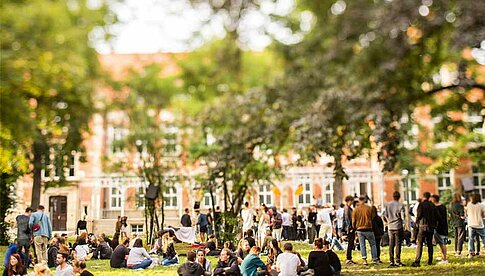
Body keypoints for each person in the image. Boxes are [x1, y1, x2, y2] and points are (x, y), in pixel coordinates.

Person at [411, 192, 438, 267]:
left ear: (423, 196)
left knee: (420, 244)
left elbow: (419, 215)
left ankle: (417, 261)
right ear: (429, 197)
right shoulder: (432, 205)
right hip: (431, 227)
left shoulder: (421, 204)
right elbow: (436, 216)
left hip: (422, 226)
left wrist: (416, 220)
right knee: (430, 244)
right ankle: (430, 261)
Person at [352, 196, 379, 265]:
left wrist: (354, 227)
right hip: (368, 228)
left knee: (362, 245)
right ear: (365, 200)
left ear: (359, 200)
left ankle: (364, 260)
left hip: (360, 229)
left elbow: (353, 221)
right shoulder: (369, 208)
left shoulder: (356, 209)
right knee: (373, 244)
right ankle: (374, 259)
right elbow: (373, 217)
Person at [383, 191, 405, 267]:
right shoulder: (400, 205)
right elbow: (402, 217)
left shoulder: (388, 205)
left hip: (390, 227)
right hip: (398, 226)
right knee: (398, 244)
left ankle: (391, 261)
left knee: (391, 244)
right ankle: (398, 261)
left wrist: (388, 221)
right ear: (399, 197)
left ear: (393, 196)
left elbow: (384, 215)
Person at [430, 194, 448, 264]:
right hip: (443, 226)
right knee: (440, 243)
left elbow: (437, 219)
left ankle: (444, 259)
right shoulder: (443, 206)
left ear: (434, 199)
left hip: (439, 227)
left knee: (442, 243)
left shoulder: (436, 208)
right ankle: (443, 257)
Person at [466, 193, 485, 259]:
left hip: (471, 224)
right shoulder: (481, 205)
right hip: (479, 224)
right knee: (483, 238)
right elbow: (483, 215)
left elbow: (467, 214)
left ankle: (471, 252)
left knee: (471, 239)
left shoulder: (469, 204)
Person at [342, 195, 356, 264]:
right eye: (352, 201)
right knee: (350, 243)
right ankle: (348, 258)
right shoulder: (347, 208)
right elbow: (347, 219)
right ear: (349, 201)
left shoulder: (347, 208)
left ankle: (349, 257)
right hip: (349, 228)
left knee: (351, 243)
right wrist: (350, 228)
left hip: (349, 228)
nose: (352, 202)